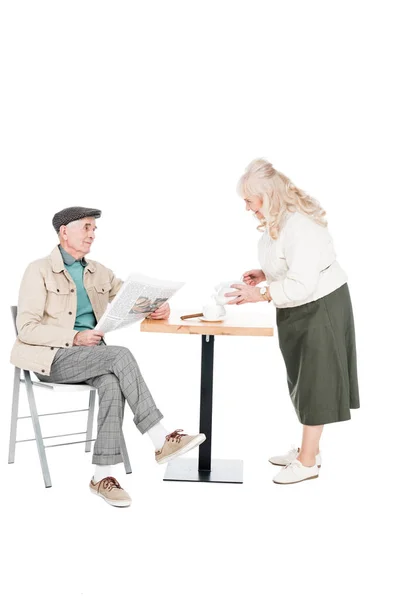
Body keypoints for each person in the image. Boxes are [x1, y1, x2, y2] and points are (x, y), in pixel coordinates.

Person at [10, 206, 205, 507]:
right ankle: (160, 438)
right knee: (120, 356)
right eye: (86, 227)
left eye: (94, 228)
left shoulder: (98, 271)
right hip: (53, 358)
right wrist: (74, 337)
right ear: (64, 231)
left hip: (94, 357)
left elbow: (132, 299)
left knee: (113, 383)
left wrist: (156, 308)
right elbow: (26, 329)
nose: (92, 234)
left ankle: (101, 477)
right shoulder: (38, 270)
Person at [226, 159, 360, 485]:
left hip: (320, 307)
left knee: (317, 382)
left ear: (267, 196)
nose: (247, 208)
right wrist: (265, 274)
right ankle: (306, 450)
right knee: (302, 380)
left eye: (249, 200)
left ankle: (308, 461)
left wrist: (259, 294)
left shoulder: (301, 226)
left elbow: (303, 283)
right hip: (298, 308)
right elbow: (291, 265)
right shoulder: (280, 221)